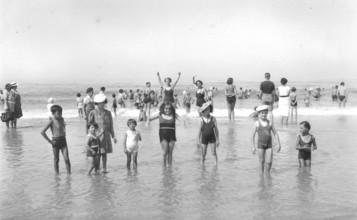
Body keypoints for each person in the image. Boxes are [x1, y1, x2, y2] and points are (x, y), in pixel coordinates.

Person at [88, 93, 117, 173]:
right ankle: (96, 169)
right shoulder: (92, 113)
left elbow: (111, 125)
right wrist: (90, 136)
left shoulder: (108, 113)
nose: (102, 104)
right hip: (96, 136)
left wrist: (113, 136)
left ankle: (104, 168)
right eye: (100, 103)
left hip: (106, 135)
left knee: (104, 153)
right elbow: (89, 125)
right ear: (97, 103)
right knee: (97, 154)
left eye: (103, 102)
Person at [40, 105, 71, 174]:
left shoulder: (62, 119)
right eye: (58, 113)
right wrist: (49, 141)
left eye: (61, 113)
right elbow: (42, 132)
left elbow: (63, 127)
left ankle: (69, 175)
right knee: (56, 160)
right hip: (55, 142)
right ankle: (57, 175)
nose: (60, 114)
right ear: (53, 113)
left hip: (63, 140)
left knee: (66, 159)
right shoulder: (51, 121)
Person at [146, 102, 178, 166]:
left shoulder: (174, 115)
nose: (167, 110)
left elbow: (183, 119)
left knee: (170, 152)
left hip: (172, 136)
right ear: (163, 108)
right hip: (163, 136)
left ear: (171, 109)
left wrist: (186, 122)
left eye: (169, 109)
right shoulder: (160, 114)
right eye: (166, 109)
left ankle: (169, 167)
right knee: (164, 152)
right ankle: (164, 166)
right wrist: (147, 121)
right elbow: (149, 118)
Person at [252, 105, 281, 174]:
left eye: (265, 113)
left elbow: (275, 133)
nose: (264, 114)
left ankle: (267, 173)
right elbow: (252, 136)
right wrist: (253, 146)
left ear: (267, 113)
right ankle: (261, 174)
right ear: (259, 114)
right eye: (262, 113)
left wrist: (278, 144)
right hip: (260, 145)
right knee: (262, 161)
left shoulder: (270, 123)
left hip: (269, 145)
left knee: (269, 161)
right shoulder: (257, 124)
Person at [197, 101, 219, 165]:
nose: (208, 110)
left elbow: (216, 130)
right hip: (204, 138)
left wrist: (217, 140)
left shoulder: (213, 118)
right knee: (203, 153)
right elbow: (199, 131)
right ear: (203, 111)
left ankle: (215, 166)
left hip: (212, 137)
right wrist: (198, 141)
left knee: (214, 153)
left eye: (209, 109)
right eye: (206, 109)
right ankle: (202, 166)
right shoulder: (201, 119)